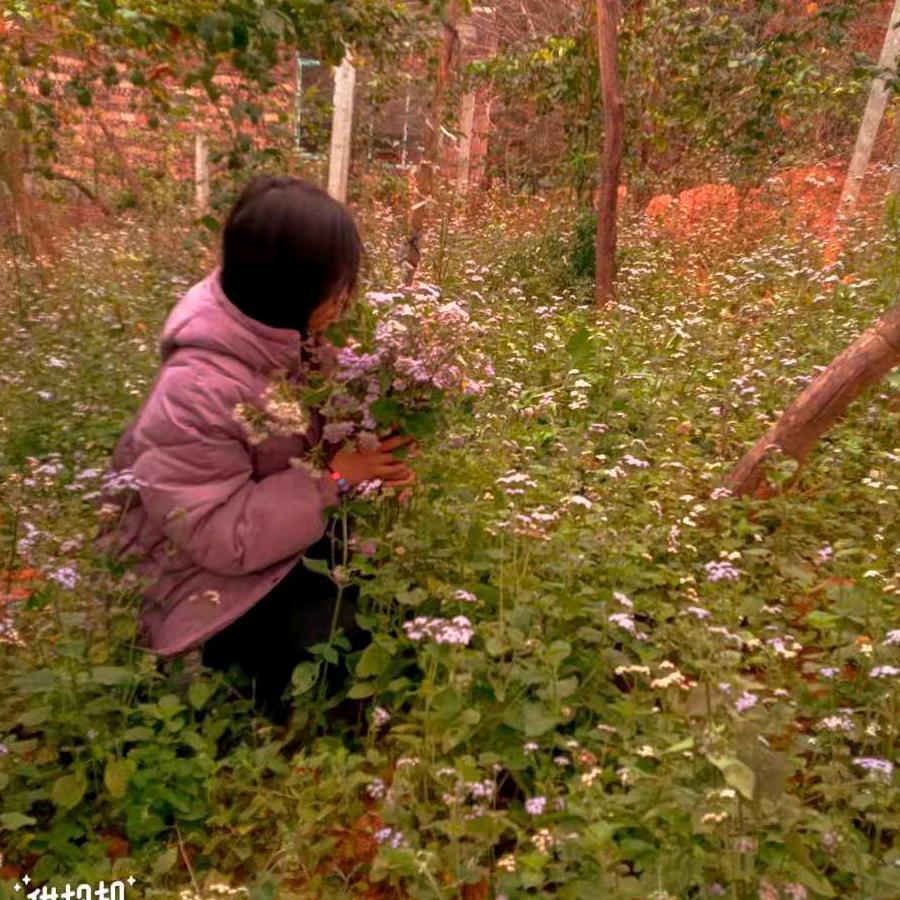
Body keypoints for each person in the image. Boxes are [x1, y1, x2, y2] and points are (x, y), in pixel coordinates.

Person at [97, 176, 414, 723]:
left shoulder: (285, 334)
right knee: (340, 654)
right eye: (336, 285)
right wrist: (335, 479)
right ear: (291, 286)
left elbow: (323, 430)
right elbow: (216, 535)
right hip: (192, 579)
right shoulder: (195, 388)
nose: (347, 297)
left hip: (273, 536)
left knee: (396, 607)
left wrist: (376, 448)